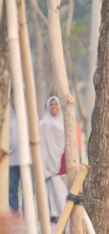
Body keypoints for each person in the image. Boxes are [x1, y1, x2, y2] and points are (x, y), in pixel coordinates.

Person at [39, 94, 67, 225]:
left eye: (56, 104)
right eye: (51, 104)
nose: (54, 106)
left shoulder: (63, 122)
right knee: (50, 187)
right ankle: (51, 214)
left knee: (60, 187)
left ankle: (60, 214)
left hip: (60, 159)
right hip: (47, 160)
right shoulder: (43, 124)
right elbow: (42, 143)